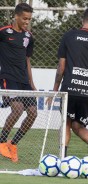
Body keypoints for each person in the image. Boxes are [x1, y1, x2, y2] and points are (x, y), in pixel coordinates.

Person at [48, 7, 88, 170]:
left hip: (69, 90)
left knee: (67, 124)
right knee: (78, 125)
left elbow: (61, 67)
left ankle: (62, 159)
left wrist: (54, 90)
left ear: (82, 21)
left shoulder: (69, 37)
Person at [0, 3, 37, 163]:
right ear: (16, 16)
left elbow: (27, 60)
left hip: (24, 81)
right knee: (17, 109)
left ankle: (13, 144)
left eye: (29, 19)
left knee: (33, 113)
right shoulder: (3, 32)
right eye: (24, 18)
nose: (26, 22)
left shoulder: (28, 37)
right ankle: (1, 141)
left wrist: (32, 82)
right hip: (8, 78)